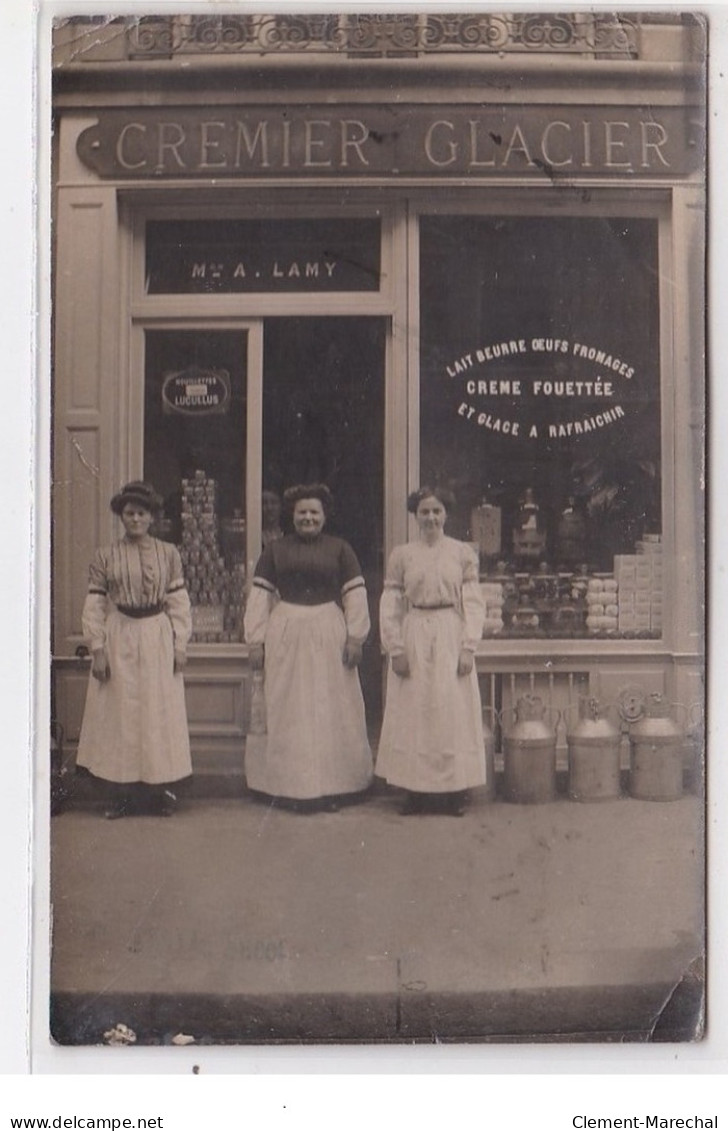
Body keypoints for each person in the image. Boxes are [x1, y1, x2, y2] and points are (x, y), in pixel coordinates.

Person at [243, 483, 372, 812]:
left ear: (324, 516)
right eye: (302, 512)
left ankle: (332, 787)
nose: (308, 518)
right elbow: (259, 599)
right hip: (287, 631)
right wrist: (255, 641)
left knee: (330, 706)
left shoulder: (340, 549)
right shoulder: (275, 551)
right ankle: (288, 786)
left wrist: (356, 637)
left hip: (328, 630)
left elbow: (355, 596)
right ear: (293, 516)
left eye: (314, 512)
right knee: (290, 706)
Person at [75, 481, 192, 818]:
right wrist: (97, 648)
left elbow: (179, 603)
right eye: (129, 513)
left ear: (152, 517)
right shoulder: (105, 555)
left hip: (156, 635)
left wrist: (180, 644)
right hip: (120, 634)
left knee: (156, 713)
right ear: (121, 517)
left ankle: (157, 794)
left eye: (142, 513)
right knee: (121, 716)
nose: (136, 519)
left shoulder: (168, 554)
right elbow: (95, 605)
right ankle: (121, 795)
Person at [377, 486, 487, 816]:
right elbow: (391, 603)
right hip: (414, 630)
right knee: (415, 711)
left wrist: (469, 646)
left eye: (436, 511)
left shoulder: (461, 553)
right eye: (424, 511)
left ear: (446, 515)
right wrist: (395, 647)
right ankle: (414, 792)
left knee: (449, 711)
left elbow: (473, 602)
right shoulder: (402, 555)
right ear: (415, 516)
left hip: (450, 632)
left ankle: (453, 792)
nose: (430, 518)